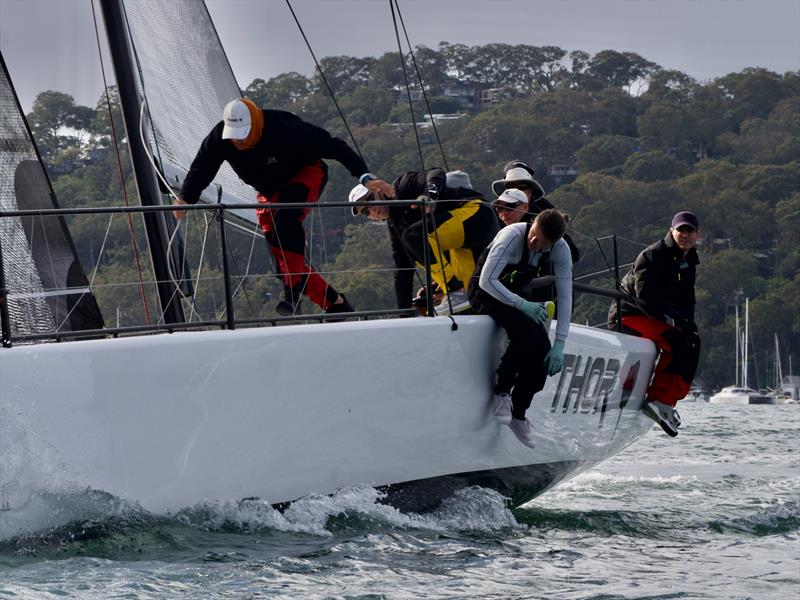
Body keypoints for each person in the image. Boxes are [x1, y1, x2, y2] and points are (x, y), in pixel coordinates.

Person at [173, 97, 394, 316]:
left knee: (287, 220)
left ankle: (292, 294)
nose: (238, 142)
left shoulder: (284, 126)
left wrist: (365, 177)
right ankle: (336, 304)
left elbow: (334, 146)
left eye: (243, 135)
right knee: (282, 261)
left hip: (305, 174)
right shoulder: (220, 138)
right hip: (269, 193)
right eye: (234, 137)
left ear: (256, 126)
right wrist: (186, 197)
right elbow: (203, 167)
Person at [468, 209, 573, 448]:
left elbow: (566, 296)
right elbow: (487, 280)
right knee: (525, 335)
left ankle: (519, 413)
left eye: (542, 243)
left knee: (543, 352)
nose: (535, 243)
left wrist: (560, 343)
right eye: (534, 236)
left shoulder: (560, 250)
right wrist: (522, 304)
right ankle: (502, 391)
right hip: (486, 293)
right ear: (532, 224)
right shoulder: (511, 236)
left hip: (517, 296)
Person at [349, 167, 498, 313]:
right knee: (473, 301)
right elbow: (402, 271)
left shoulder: (401, 187)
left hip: (476, 214)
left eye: (370, 200)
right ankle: (459, 293)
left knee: (412, 237)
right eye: (366, 211)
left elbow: (436, 172)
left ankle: (454, 289)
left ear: (379, 191)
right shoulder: (395, 227)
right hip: (461, 245)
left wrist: (430, 194)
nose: (373, 210)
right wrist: (404, 314)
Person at [608, 211, 702, 437]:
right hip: (629, 314)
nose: (685, 235)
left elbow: (687, 297)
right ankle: (657, 398)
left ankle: (668, 403)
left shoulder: (689, 260)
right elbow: (645, 296)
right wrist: (673, 319)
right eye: (681, 230)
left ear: (698, 235)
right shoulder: (653, 255)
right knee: (675, 341)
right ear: (672, 231)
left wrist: (688, 322)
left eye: (690, 231)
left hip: (655, 317)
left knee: (693, 342)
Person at [492, 160, 580, 263]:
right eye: (509, 187)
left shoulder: (545, 212)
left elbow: (572, 254)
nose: (515, 191)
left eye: (522, 186)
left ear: (531, 190)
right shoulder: (493, 212)